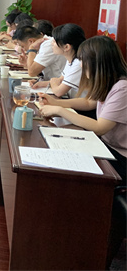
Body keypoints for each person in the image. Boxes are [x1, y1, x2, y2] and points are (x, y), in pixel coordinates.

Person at [40, 36, 127, 184]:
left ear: (98, 62)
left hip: (120, 156)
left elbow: (100, 127)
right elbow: (88, 102)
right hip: (106, 146)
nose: (81, 65)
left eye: (83, 60)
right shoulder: (109, 81)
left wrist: (60, 110)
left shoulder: (122, 88)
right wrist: (57, 103)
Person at [30, 23, 85, 98]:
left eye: (54, 41)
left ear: (66, 47)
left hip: (77, 104)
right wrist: (40, 83)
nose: (51, 44)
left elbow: (59, 92)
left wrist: (53, 82)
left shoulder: (78, 63)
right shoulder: (71, 59)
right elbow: (60, 80)